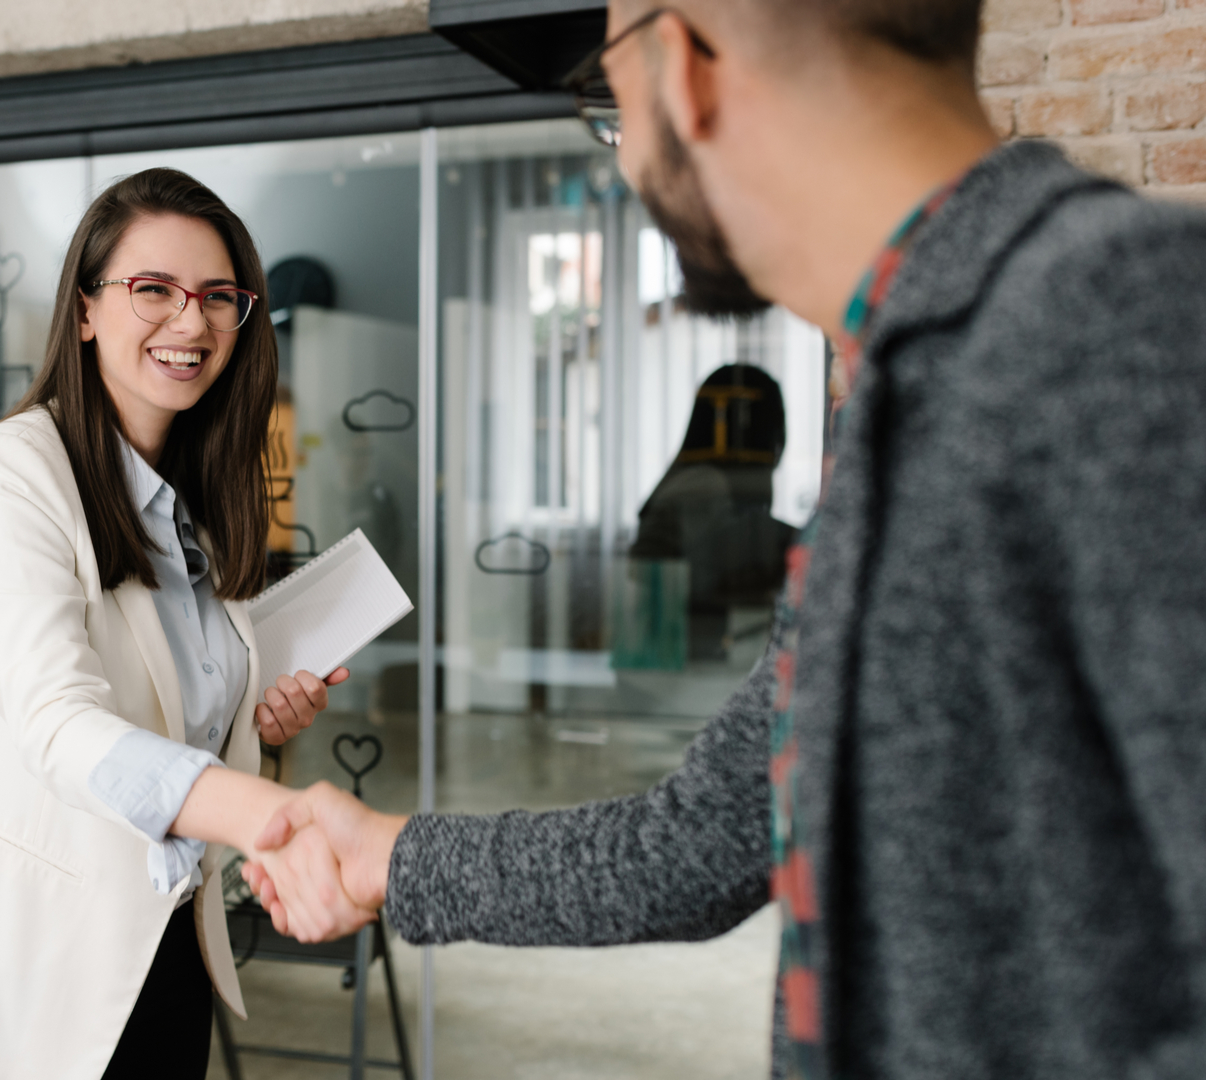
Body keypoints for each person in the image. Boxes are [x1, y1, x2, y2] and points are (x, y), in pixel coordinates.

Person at [246, 2, 1206, 1078]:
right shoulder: (900, 397)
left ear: (685, 64)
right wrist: (391, 855)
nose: (625, 159)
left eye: (612, 107)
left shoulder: (1134, 319)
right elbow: (696, 848)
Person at [0, 168, 364, 1080]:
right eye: (154, 290)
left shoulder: (200, 497)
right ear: (87, 310)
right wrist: (277, 817)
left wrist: (252, 713)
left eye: (219, 297)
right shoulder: (12, 473)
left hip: (158, 946)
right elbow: (60, 723)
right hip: (13, 974)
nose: (192, 322)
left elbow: (165, 705)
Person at [630, 363, 796, 661]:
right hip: (677, 661)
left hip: (689, 654)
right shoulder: (704, 483)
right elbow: (713, 569)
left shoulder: (704, 479)